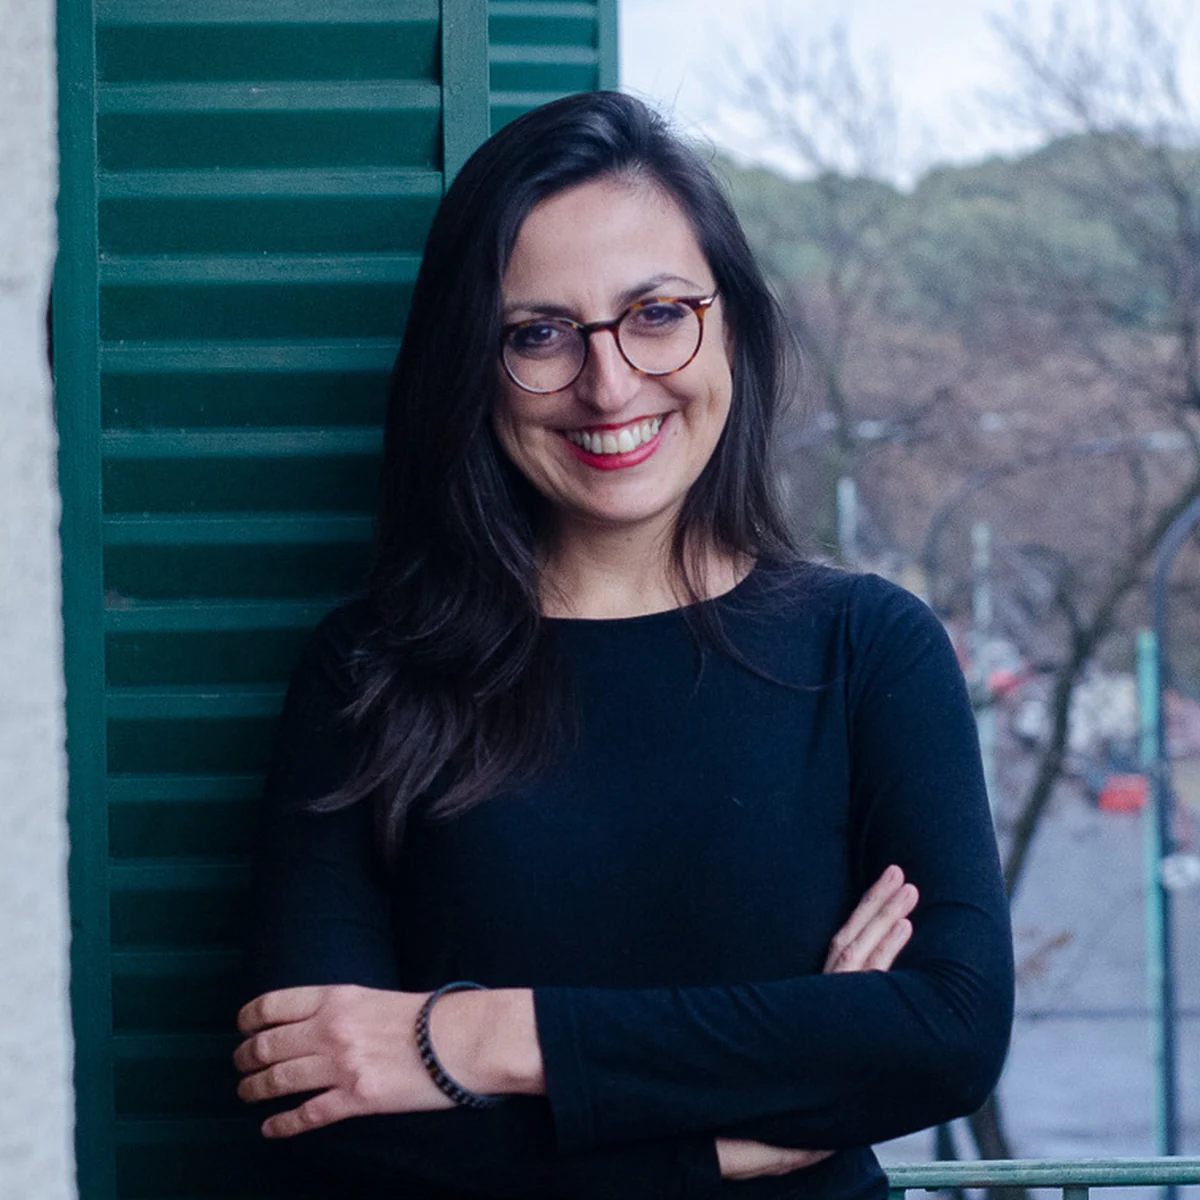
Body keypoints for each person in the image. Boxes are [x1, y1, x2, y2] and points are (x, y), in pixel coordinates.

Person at [234, 91, 1014, 1199]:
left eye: (655, 313)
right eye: (538, 334)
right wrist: (729, 1125)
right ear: (472, 366)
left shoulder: (869, 649)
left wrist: (486, 1039)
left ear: (729, 325)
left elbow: (948, 1033)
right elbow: (319, 1109)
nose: (608, 385)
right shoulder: (367, 671)